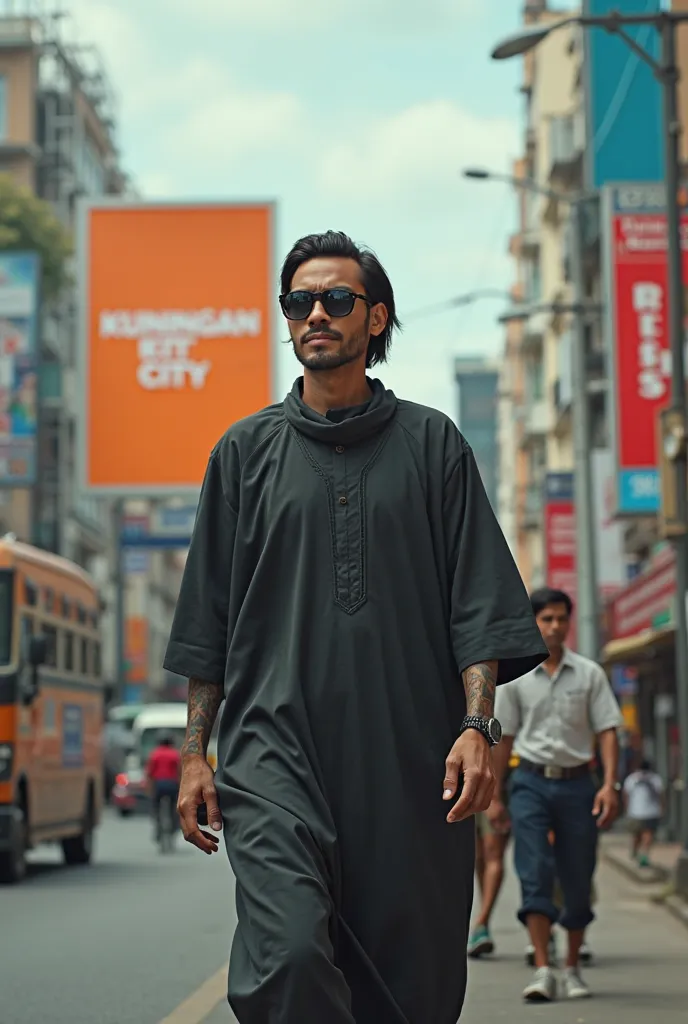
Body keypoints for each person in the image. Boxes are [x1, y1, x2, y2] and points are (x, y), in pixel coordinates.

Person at [164, 230, 548, 1023]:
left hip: (408, 765)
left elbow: (475, 603)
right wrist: (196, 753)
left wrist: (478, 724)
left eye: (336, 300)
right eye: (299, 301)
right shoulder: (243, 454)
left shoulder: (433, 443)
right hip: (273, 756)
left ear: (375, 320)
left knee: (408, 986)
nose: (315, 314)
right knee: (292, 956)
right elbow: (210, 621)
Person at [488, 587, 622, 1003]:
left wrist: (610, 786)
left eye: (561, 618)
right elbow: (504, 740)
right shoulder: (517, 679)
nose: (555, 626)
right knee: (535, 871)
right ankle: (544, 968)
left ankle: (573, 967)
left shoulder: (589, 674)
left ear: (569, 622)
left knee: (577, 876)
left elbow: (607, 731)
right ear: (535, 622)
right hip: (529, 784)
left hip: (579, 785)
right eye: (546, 618)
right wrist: (495, 796)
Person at [467, 762, 513, 958]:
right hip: (469, 777)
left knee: (493, 852)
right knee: (478, 856)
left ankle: (482, 923)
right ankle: (482, 923)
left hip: (497, 781)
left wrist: (494, 796)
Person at [623, 759, 665, 867]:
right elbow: (661, 795)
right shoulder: (655, 779)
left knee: (638, 834)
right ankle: (643, 854)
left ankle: (638, 853)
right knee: (647, 834)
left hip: (635, 811)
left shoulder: (632, 778)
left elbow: (626, 794)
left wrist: (626, 808)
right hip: (651, 811)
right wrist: (661, 808)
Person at [145, 732, 181, 836]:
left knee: (155, 804)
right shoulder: (174, 754)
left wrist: (148, 787)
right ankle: (175, 826)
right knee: (175, 806)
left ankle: (157, 823)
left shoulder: (155, 754)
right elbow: (179, 771)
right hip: (172, 785)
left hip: (159, 784)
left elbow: (149, 772)